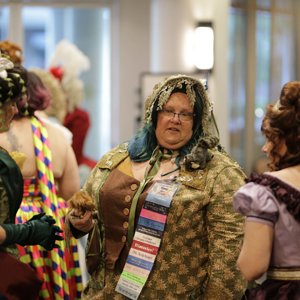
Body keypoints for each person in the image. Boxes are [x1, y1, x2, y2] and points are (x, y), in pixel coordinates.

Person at [67, 74, 247, 299]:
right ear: (154, 114)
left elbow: (229, 262)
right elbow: (83, 212)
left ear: (198, 120)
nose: (175, 119)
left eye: (185, 114)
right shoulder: (116, 159)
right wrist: (78, 222)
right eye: (168, 111)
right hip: (105, 293)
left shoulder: (220, 173)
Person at [0, 69, 83, 299]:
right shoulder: (58, 136)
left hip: (12, 222)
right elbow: (71, 192)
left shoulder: (2, 133)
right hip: (51, 220)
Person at [233, 81, 300, 299]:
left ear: (290, 140)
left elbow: (252, 266)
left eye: (272, 139)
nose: (265, 148)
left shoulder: (266, 191)